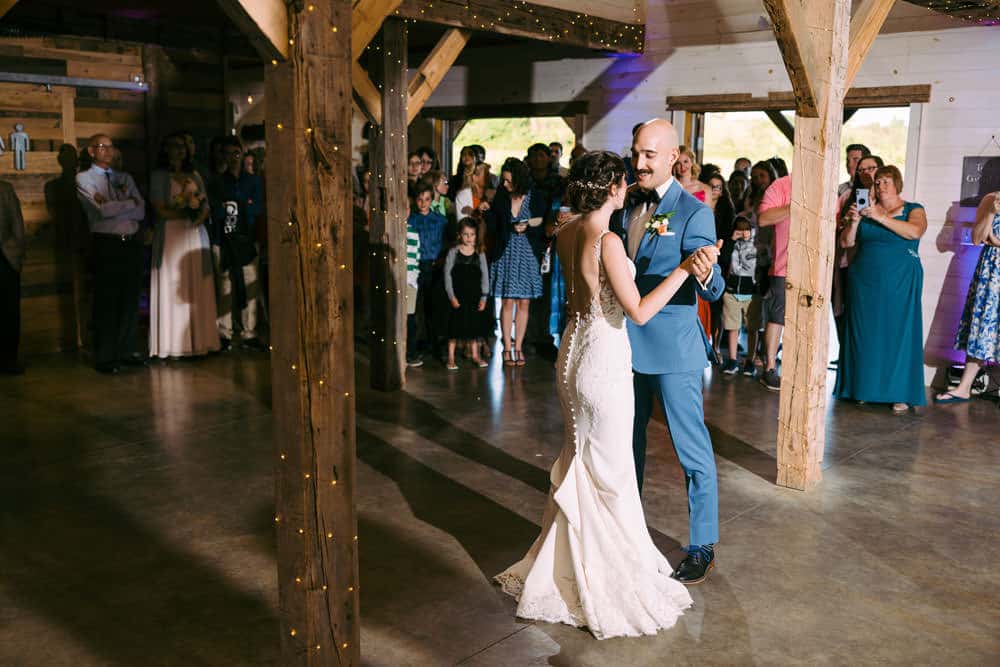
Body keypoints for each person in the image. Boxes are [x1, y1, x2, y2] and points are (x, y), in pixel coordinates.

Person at [496, 150, 720, 639]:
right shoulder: (607, 238)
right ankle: (608, 577)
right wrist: (684, 270)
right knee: (612, 472)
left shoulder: (569, 230)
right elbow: (637, 311)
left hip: (572, 356)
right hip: (603, 363)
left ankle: (568, 567)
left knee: (582, 460)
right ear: (615, 188)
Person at [614, 119, 725, 584]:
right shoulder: (625, 204)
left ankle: (702, 543)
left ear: (673, 155)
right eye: (636, 152)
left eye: (650, 156)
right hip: (624, 343)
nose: (639, 163)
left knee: (689, 446)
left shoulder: (694, 212)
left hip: (674, 348)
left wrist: (704, 271)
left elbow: (714, 287)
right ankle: (626, 527)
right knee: (626, 442)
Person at [836, 166, 928, 412]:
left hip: (900, 278)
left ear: (897, 184)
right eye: (878, 182)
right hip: (864, 278)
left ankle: (899, 392)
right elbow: (846, 242)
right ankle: (863, 388)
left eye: (887, 181)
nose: (881, 186)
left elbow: (915, 232)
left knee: (898, 333)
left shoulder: (913, 209)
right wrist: (855, 222)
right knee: (865, 334)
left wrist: (879, 216)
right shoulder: (866, 210)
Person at [76, 134, 146, 374]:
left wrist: (119, 205)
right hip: (106, 244)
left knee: (129, 299)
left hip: (130, 243)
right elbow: (101, 211)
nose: (108, 151)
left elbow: (141, 210)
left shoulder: (124, 177)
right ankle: (105, 356)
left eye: (111, 147)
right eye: (102, 147)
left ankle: (126, 350)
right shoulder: (84, 178)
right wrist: (127, 203)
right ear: (91, 151)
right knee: (107, 301)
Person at [148, 132, 220, 359]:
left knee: (196, 285)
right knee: (173, 284)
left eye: (182, 146)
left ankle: (201, 341)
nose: (179, 150)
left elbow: (205, 203)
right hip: (171, 235)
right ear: (165, 150)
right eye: (174, 146)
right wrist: (184, 211)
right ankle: (173, 345)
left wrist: (198, 215)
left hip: (193, 233)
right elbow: (159, 208)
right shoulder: (159, 176)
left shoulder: (194, 174)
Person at [935, 191, 1000, 404]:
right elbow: (976, 237)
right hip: (992, 273)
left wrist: (996, 240)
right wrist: (991, 213)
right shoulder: (991, 199)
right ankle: (964, 387)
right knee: (983, 326)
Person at [487, 158, 548, 366]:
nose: (504, 184)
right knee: (507, 301)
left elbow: (542, 221)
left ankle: (519, 346)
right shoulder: (501, 196)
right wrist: (489, 214)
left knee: (524, 302)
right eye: (503, 180)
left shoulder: (535, 196)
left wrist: (528, 226)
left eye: (508, 181)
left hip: (527, 252)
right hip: (506, 250)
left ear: (519, 180)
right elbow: (494, 224)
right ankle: (506, 347)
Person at [207, 137, 265, 350]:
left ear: (242, 155)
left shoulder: (254, 181)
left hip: (247, 239)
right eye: (228, 154)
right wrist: (240, 206)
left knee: (250, 283)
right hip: (223, 239)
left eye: (236, 153)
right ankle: (225, 332)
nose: (232, 158)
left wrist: (236, 206)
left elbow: (257, 209)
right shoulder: (216, 182)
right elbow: (217, 210)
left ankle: (249, 331)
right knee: (225, 284)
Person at [757, 174, 792, 391]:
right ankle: (769, 367)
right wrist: (795, 206)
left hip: (816, 267)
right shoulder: (782, 185)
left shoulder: (826, 187)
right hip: (784, 265)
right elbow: (763, 218)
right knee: (777, 316)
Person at [408, 184, 449, 361]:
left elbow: (447, 241)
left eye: (426, 199)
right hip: (417, 266)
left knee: (434, 307)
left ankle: (436, 345)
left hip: (435, 266)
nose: (423, 203)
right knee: (417, 308)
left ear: (432, 200)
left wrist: (442, 260)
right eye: (419, 199)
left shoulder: (440, 220)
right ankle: (418, 343)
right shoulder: (412, 220)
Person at [443, 218, 490, 370]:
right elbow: (447, 275)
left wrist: (484, 296)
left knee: (474, 326)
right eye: (465, 234)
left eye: (472, 234)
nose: (469, 237)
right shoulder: (453, 252)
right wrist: (451, 296)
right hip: (458, 296)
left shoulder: (479, 253)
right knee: (454, 326)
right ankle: (450, 357)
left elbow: (485, 275)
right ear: (459, 235)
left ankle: (476, 355)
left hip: (474, 296)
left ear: (476, 235)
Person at [720, 214, 758, 375]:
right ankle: (733, 360)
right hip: (732, 290)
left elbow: (762, 260)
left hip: (752, 292)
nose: (743, 233)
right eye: (739, 230)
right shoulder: (731, 243)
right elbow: (723, 259)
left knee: (752, 328)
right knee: (732, 327)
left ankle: (750, 360)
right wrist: (731, 240)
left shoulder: (757, 244)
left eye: (746, 230)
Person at [0, 179, 25, 374]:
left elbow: (17, 222)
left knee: (9, 311)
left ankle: (9, 360)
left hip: (5, 258)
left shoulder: (5, 188)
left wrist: (14, 254)